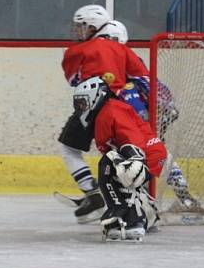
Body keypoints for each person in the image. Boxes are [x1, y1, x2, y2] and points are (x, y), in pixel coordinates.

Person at [57, 5, 150, 223]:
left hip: (88, 108)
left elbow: (74, 81)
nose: (78, 31)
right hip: (118, 110)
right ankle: (141, 204)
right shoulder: (123, 50)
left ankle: (92, 192)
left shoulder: (76, 51)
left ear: (93, 27)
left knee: (70, 149)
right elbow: (143, 78)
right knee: (123, 155)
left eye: (82, 26)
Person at [97, 20, 198, 211]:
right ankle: (143, 203)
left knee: (152, 157)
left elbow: (155, 88)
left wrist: (165, 111)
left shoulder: (132, 67)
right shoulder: (108, 69)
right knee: (139, 162)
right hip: (125, 125)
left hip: (139, 124)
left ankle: (182, 196)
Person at [72, 75, 168, 242]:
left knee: (111, 167)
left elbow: (131, 137)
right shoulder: (103, 113)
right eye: (78, 104)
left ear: (97, 96)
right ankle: (146, 211)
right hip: (145, 154)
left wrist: (135, 159)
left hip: (148, 154)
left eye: (83, 102)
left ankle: (134, 221)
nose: (81, 108)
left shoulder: (113, 110)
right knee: (109, 167)